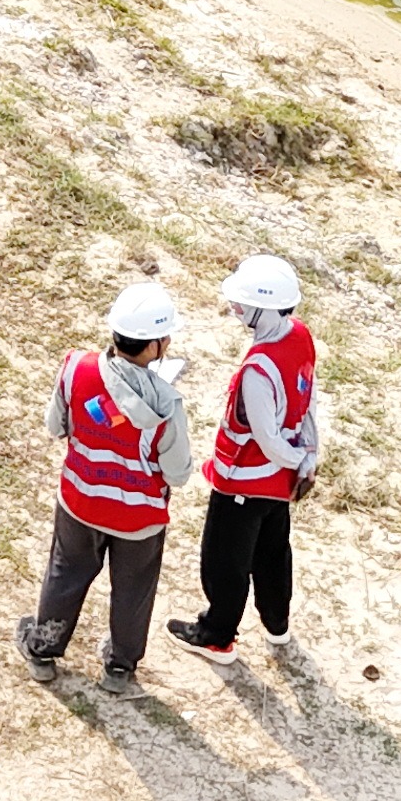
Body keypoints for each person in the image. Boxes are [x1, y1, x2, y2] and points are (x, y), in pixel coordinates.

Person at [17, 280, 193, 697]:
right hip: (140, 518)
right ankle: (119, 667)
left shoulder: (75, 368)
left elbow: (54, 426)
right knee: (133, 588)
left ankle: (43, 650)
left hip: (80, 500)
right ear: (153, 348)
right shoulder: (167, 403)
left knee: (66, 571)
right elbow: (178, 473)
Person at [168, 254, 319, 665]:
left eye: (242, 303)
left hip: (243, 480)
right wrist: (307, 456)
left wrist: (292, 456)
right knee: (273, 555)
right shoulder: (300, 336)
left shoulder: (258, 369)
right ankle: (277, 625)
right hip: (279, 483)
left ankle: (217, 635)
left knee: (225, 561)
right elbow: (309, 399)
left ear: (264, 307)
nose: (235, 308)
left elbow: (267, 438)